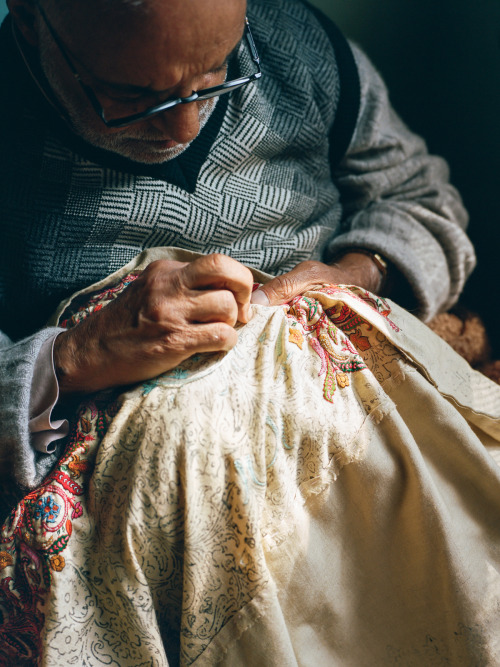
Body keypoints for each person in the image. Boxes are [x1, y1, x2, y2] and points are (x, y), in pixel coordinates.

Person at [2, 0, 497, 665]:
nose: (183, 123)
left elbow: (422, 199)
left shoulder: (298, 46)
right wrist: (76, 355)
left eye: (215, 75)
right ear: (31, 20)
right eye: (131, 96)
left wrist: (356, 274)